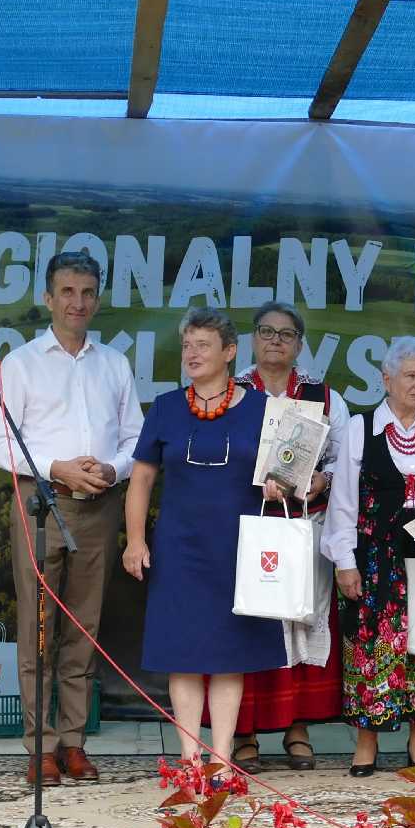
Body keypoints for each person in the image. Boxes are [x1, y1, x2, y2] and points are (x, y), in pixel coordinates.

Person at [0, 251, 142, 786]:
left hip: (99, 506)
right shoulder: (20, 363)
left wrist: (110, 468)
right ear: (48, 298)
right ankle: (39, 746)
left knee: (83, 627)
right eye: (67, 292)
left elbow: (134, 440)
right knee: (38, 630)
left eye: (87, 293)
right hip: (40, 503)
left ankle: (73, 742)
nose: (77, 302)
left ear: (98, 300)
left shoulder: (114, 363)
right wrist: (57, 469)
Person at [123, 308, 287, 766]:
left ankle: (222, 756)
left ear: (230, 353)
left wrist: (280, 484)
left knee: (228, 655)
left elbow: (289, 474)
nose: (191, 354)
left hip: (238, 546)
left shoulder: (262, 409)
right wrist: (136, 541)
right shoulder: (167, 407)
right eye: (187, 345)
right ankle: (190, 758)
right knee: (185, 652)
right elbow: (140, 480)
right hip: (179, 547)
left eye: (203, 345)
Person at [321, 338, 415, 776]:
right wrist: (344, 561)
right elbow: (343, 501)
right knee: (371, 644)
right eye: (411, 376)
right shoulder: (361, 429)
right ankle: (366, 741)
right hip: (374, 556)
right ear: (386, 379)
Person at [226, 302, 349, 773]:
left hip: (305, 524)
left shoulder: (321, 394)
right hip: (250, 522)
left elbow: (344, 456)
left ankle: (298, 727)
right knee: (253, 621)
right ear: (253, 339)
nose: (275, 340)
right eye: (266, 332)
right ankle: (245, 732)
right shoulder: (233, 391)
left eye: (286, 334)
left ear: (300, 343)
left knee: (300, 619)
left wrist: (322, 479)